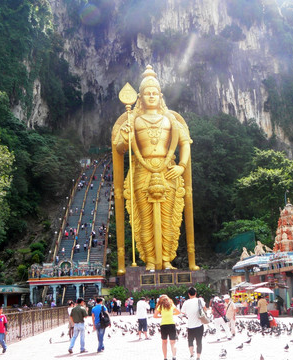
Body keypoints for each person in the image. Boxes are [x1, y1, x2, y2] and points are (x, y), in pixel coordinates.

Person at [112, 65, 199, 272]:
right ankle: (150, 260)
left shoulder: (171, 119)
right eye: (146, 94)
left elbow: (185, 142)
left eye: (154, 93)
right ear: (139, 98)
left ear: (160, 96)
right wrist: (126, 138)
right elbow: (119, 148)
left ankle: (167, 259)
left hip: (168, 169)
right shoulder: (133, 120)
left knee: (168, 219)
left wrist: (181, 165)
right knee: (145, 219)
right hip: (142, 171)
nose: (151, 97)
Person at [181, 287, 206, 360]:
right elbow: (205, 308)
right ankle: (198, 357)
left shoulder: (186, 302)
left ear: (188, 294)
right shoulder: (200, 300)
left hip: (190, 325)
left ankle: (192, 354)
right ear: (196, 293)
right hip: (199, 324)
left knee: (190, 340)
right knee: (199, 341)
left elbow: (182, 312)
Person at [154, 295, 180, 360]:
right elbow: (178, 312)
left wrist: (161, 316)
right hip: (171, 324)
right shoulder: (171, 305)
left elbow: (155, 316)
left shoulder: (160, 306)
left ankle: (165, 357)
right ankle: (174, 356)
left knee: (164, 342)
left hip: (163, 325)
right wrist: (172, 314)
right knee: (173, 342)